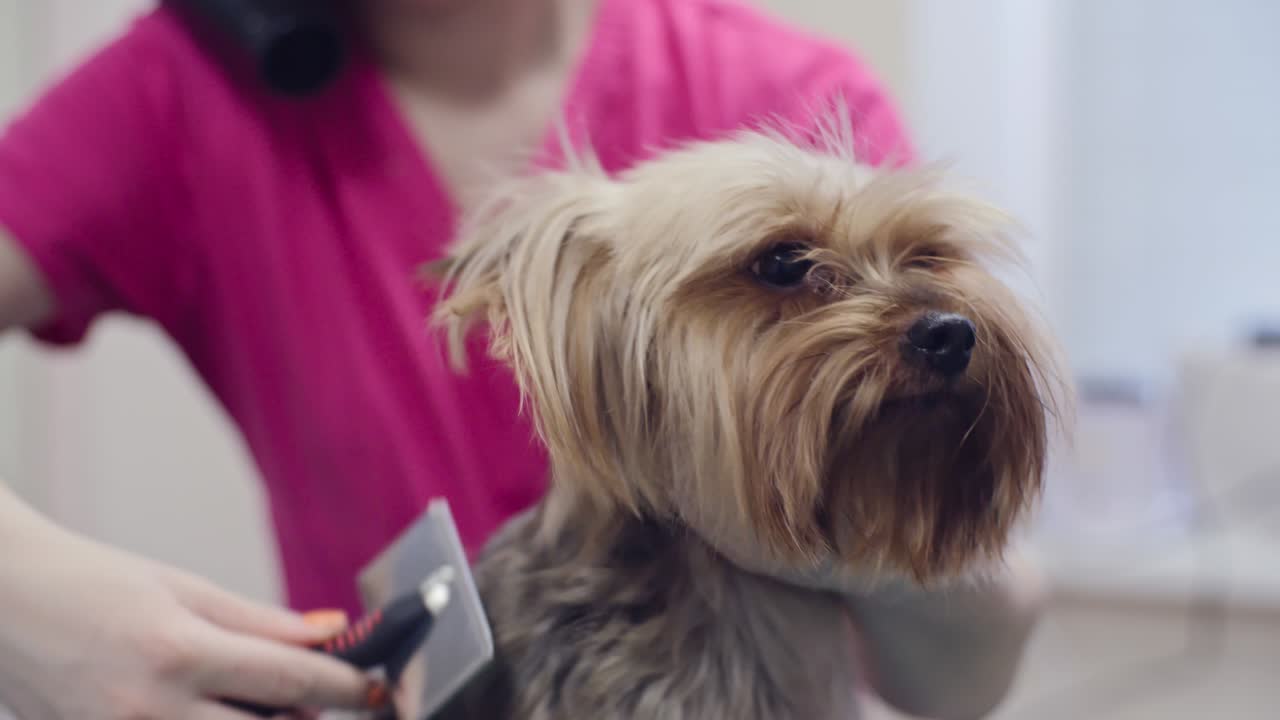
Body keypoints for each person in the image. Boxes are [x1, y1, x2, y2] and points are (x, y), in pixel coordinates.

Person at [0, 0, 1044, 717]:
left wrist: (855, 532)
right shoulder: (184, 92)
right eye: (783, 267)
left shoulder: (775, 84)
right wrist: (28, 594)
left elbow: (960, 675)